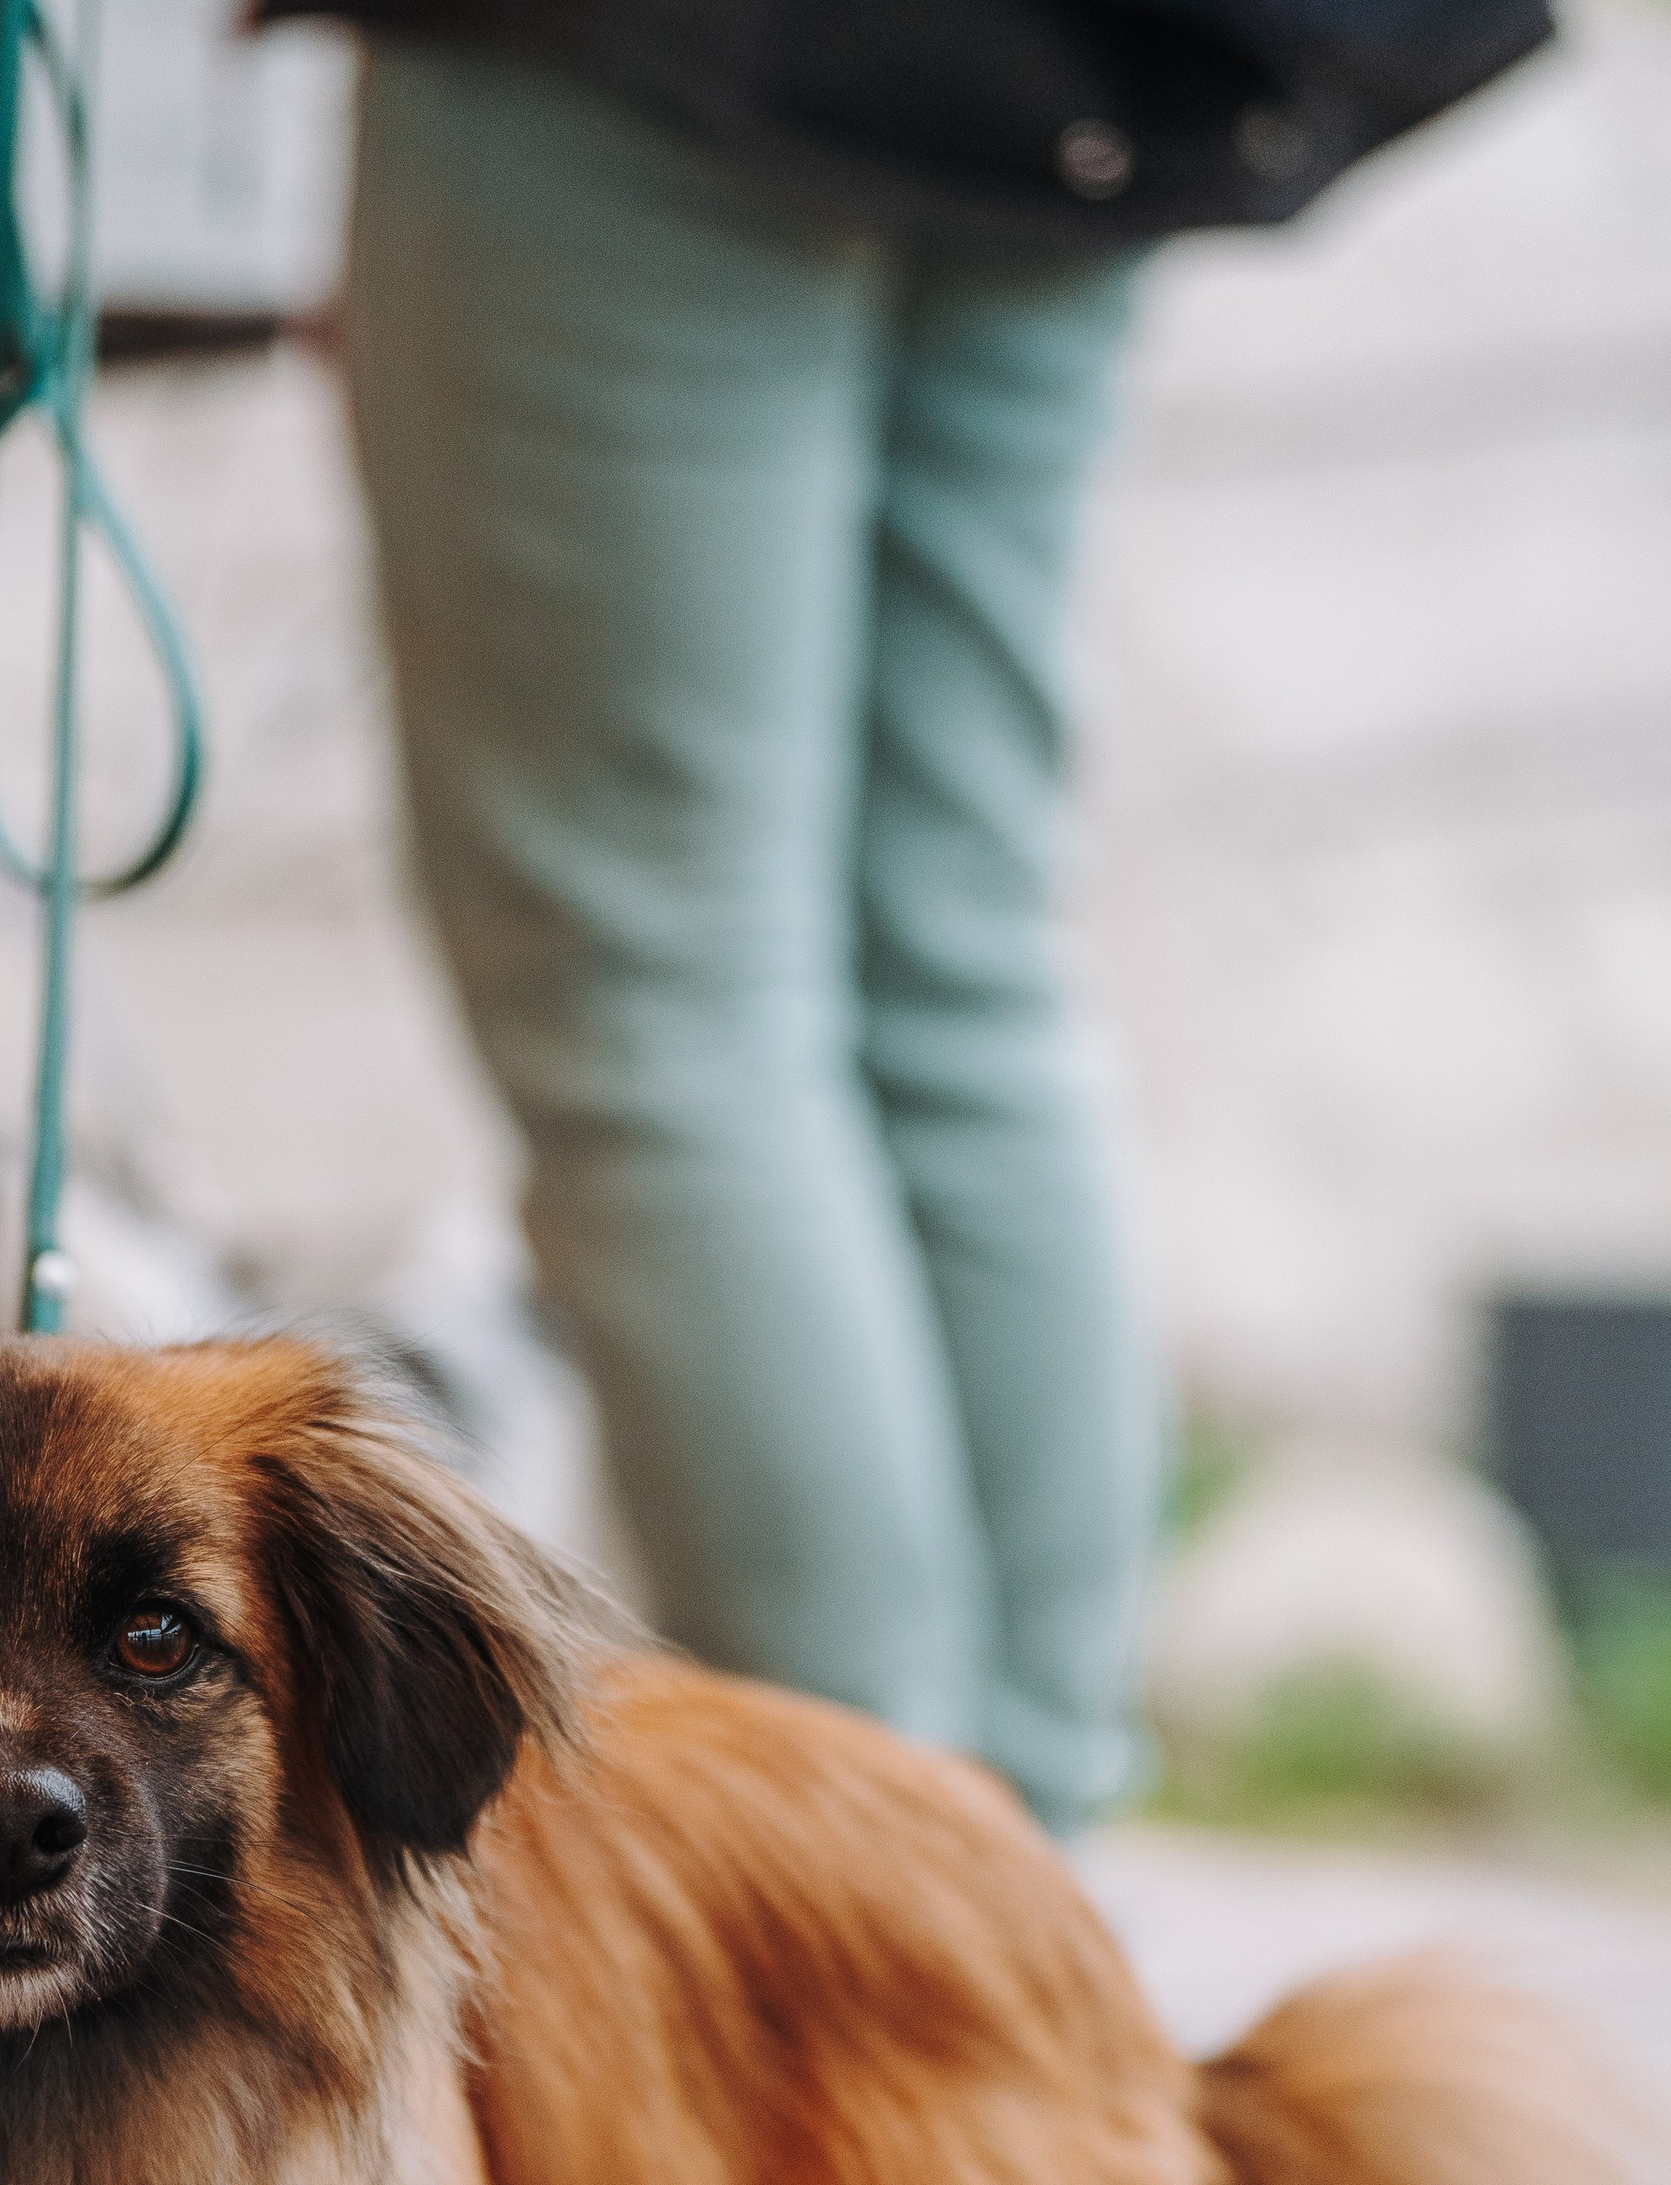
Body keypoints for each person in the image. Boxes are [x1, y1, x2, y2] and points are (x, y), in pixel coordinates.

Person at [267, 0, 1550, 1831]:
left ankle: (871, 1872)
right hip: (1060, 71)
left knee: (654, 997)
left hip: (640, 64)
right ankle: (1032, 1872)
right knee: (955, 965)